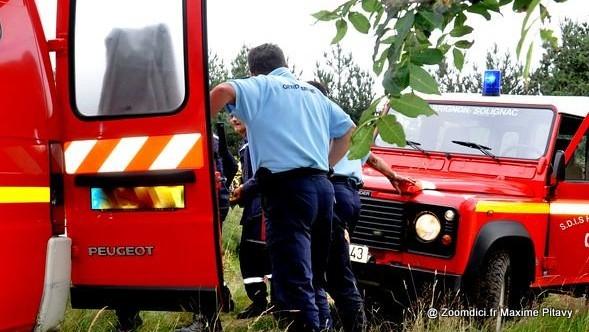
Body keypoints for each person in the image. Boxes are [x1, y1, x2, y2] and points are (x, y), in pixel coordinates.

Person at [206, 43, 355, 331]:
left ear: (253, 70)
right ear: (284, 63)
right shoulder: (312, 93)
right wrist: (327, 164)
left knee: (293, 278)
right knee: (315, 277)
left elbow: (223, 91)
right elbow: (348, 130)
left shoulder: (263, 85)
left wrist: (194, 129)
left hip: (288, 191)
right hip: (322, 188)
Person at [307, 81, 414, 332]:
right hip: (351, 197)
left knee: (325, 270)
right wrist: (392, 176)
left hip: (332, 193)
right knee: (336, 266)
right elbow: (372, 157)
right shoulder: (345, 126)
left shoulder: (318, 125)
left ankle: (339, 325)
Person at [228, 115, 272, 319]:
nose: (233, 118)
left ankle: (277, 303)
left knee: (259, 254)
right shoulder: (246, 143)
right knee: (249, 256)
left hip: (263, 208)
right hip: (253, 209)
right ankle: (260, 302)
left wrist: (243, 191)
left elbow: (264, 174)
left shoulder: (258, 140)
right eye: (230, 114)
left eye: (239, 114)